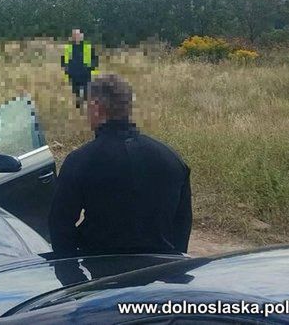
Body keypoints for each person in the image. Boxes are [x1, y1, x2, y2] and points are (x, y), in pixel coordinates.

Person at [48, 74, 192, 256]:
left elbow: (60, 226)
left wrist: (73, 276)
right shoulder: (172, 159)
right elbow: (182, 225)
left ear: (96, 107)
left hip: (102, 270)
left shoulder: (80, 161)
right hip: (157, 271)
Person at [61, 29, 99, 106]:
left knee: (87, 90)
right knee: (76, 91)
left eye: (78, 35)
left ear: (81, 36)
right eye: (74, 35)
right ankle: (78, 105)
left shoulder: (88, 46)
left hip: (85, 73)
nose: (76, 37)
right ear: (72, 37)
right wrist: (66, 70)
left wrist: (92, 68)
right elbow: (64, 60)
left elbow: (94, 59)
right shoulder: (68, 47)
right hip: (74, 73)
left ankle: (86, 104)